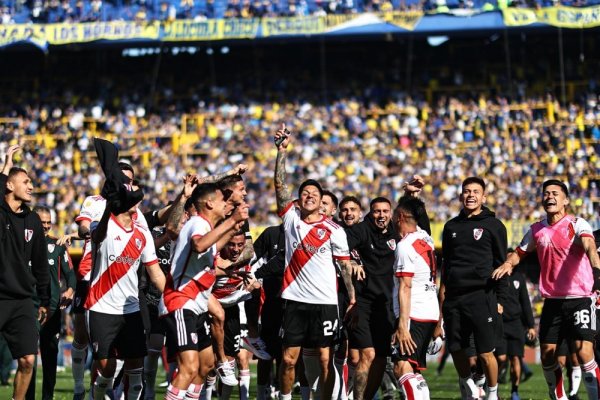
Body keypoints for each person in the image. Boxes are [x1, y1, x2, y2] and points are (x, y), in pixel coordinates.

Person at [492, 179, 600, 400]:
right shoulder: (537, 230)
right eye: (546, 193)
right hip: (552, 301)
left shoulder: (578, 224)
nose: (549, 197)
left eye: (555, 193)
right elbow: (519, 252)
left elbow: (590, 247)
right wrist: (507, 264)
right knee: (548, 356)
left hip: (580, 297)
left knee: (584, 351)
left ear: (565, 200)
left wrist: (597, 274)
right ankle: (557, 395)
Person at [273, 123, 357, 400]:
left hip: (325, 303)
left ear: (322, 201)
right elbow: (279, 185)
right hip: (295, 301)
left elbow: (345, 266)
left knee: (325, 361)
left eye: (315, 195)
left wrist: (352, 296)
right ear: (299, 200)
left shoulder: (335, 230)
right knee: (288, 359)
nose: (309, 197)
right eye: (305, 193)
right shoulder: (291, 219)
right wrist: (281, 152)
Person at [160, 183, 249, 400]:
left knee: (207, 364)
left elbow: (210, 248)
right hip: (181, 301)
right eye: (222, 200)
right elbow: (199, 246)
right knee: (189, 368)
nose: (226, 204)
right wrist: (231, 221)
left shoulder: (205, 227)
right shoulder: (197, 223)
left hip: (196, 304)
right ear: (209, 203)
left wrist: (232, 230)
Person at [345, 178, 427, 400]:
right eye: (376, 211)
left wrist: (412, 196)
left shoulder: (396, 229)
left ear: (391, 214)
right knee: (367, 355)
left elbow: (420, 227)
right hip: (364, 304)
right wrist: (351, 262)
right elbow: (341, 248)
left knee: (381, 358)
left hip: (388, 306)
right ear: (370, 214)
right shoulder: (362, 230)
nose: (381, 215)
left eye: (385, 211)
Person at [439, 176, 508, 400]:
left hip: (482, 296)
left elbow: (502, 264)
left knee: (485, 352)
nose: (470, 195)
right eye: (467, 191)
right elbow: (446, 262)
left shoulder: (494, 225)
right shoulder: (450, 227)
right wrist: (443, 290)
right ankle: (469, 384)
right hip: (455, 298)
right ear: (461, 196)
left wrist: (501, 299)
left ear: (483, 197)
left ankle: (492, 394)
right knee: (456, 348)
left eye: (475, 192)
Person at [0, 144, 49, 400]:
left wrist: (43, 299)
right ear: (9, 186)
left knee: (28, 360)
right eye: (25, 181)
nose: (31, 186)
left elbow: (41, 264)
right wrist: (7, 162)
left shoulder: (32, 220)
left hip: (22, 301)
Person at [392, 196, 438, 400]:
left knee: (401, 367)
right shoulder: (426, 237)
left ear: (400, 216)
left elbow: (405, 286)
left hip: (415, 312)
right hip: (430, 311)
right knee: (413, 369)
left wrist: (402, 326)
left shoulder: (405, 246)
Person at [35, 206, 76, 400]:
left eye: (48, 222)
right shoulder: (22, 245)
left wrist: (69, 289)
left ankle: (47, 398)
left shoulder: (57, 246)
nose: (45, 226)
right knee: (27, 360)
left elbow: (70, 274)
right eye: (41, 222)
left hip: (52, 310)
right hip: (29, 309)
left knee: (50, 359)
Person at [499, 263, 536, 400]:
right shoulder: (497, 275)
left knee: (516, 359)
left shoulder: (519, 278)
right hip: (500, 324)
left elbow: (525, 302)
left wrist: (531, 325)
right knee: (500, 358)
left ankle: (514, 391)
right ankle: (492, 389)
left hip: (516, 325)